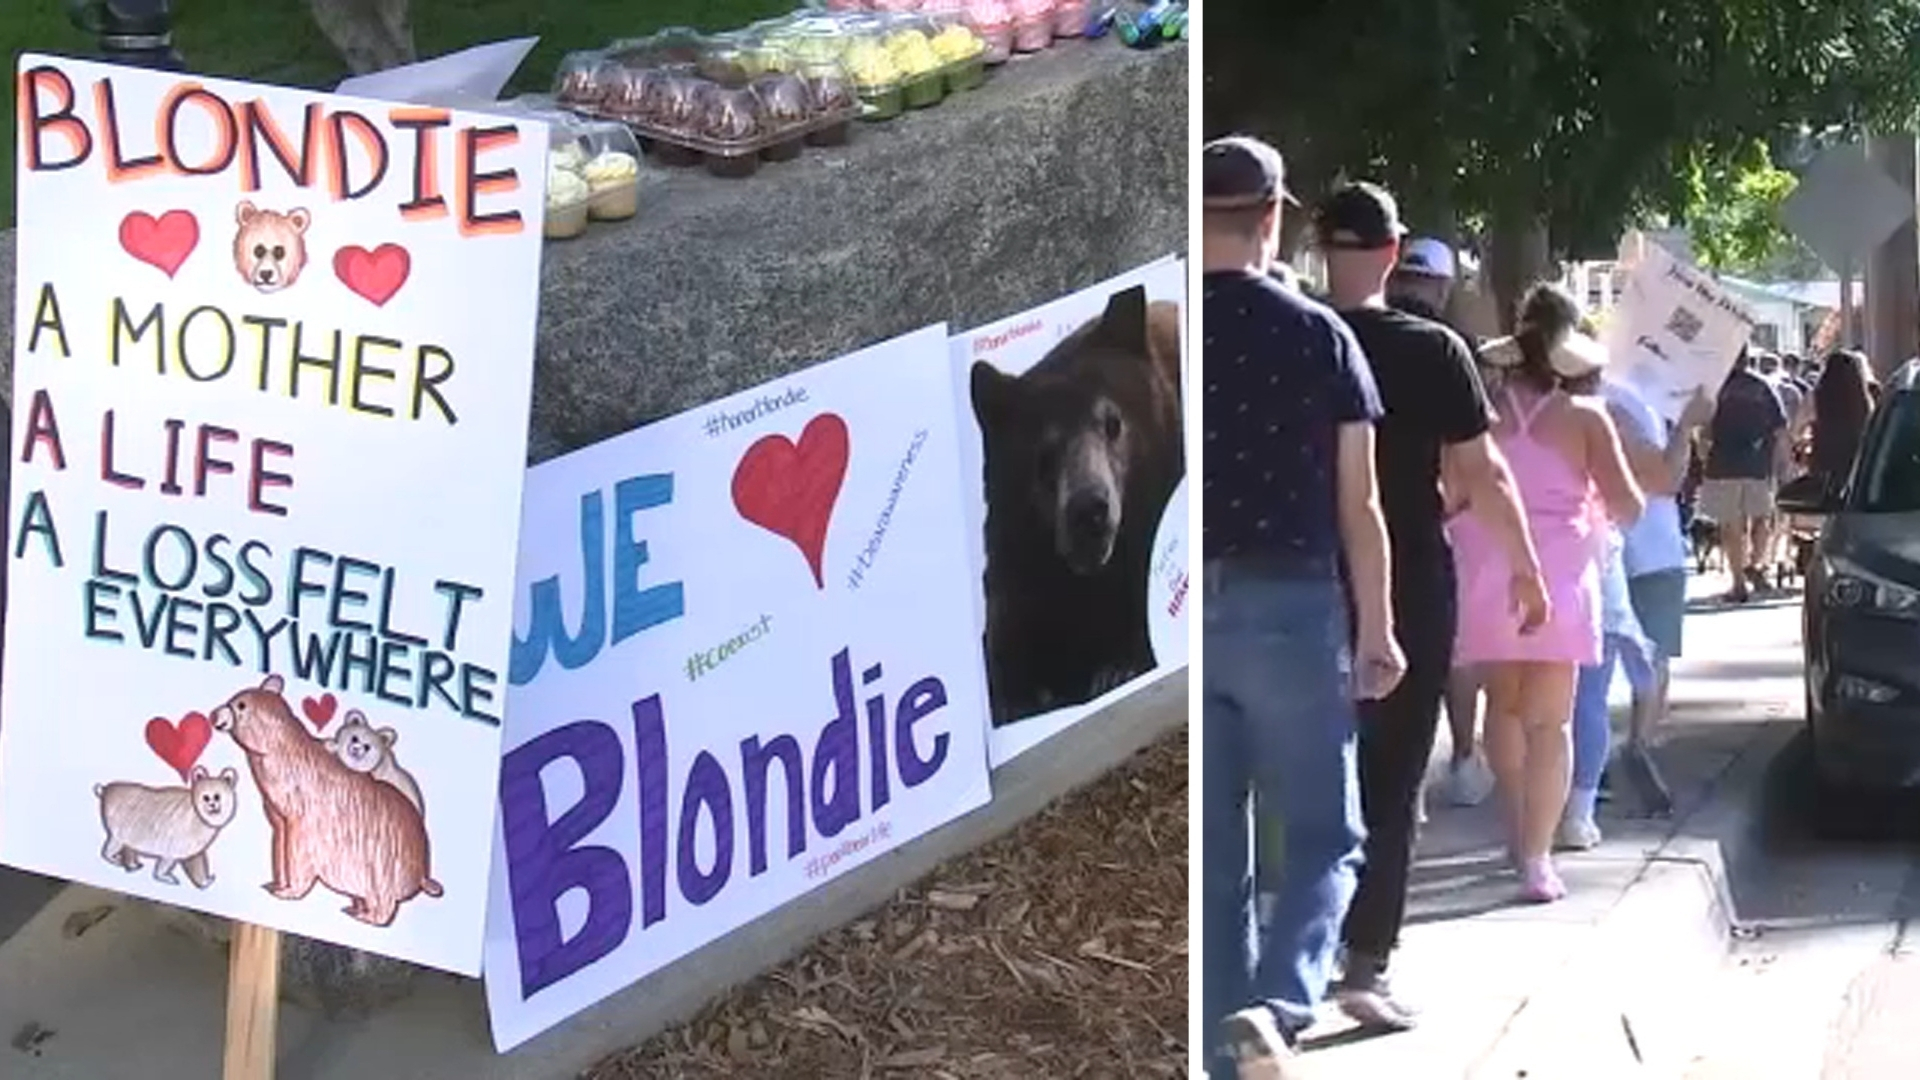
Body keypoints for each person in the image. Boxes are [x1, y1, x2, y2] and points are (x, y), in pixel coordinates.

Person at [1314, 182, 1549, 1031]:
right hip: (1410, 574)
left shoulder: (1294, 336)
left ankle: (1288, 953)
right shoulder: (1433, 351)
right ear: (1393, 250)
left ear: (1318, 247)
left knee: (1302, 768)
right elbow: (1483, 475)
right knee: (1392, 773)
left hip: (1299, 577)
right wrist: (1526, 568)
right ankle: (1365, 961)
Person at [1200, 135, 1406, 1079]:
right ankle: (1281, 1006)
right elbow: (1358, 501)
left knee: (1216, 844)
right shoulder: (1322, 333)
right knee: (1325, 831)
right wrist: (1380, 628)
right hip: (1291, 600)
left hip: (1190, 596)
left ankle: (1219, 1026)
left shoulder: (1162, 326)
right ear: (1274, 217)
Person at [1449, 283, 1644, 902]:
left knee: (1501, 710)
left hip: (1487, 568)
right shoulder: (1587, 418)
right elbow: (1627, 505)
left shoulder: (1480, 410)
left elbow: (1450, 493)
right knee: (1551, 722)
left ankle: (1516, 831)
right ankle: (1538, 857)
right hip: (1561, 576)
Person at [1561, 374, 1711, 847]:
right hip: (1639, 551)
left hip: (1601, 552)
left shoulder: (1567, 404)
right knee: (1641, 662)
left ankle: (1595, 767)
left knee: (1594, 674)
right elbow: (1664, 479)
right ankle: (1622, 756)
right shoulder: (1614, 402)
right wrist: (1686, 428)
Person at [1699, 349, 1790, 602]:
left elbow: (1703, 430)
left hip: (1723, 464)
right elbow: (1781, 429)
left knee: (1731, 525)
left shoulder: (1715, 387)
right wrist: (1784, 464)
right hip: (1757, 463)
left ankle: (1738, 582)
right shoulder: (1763, 387)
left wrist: (1703, 454)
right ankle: (1756, 564)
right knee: (1762, 518)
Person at [1808, 348, 1876, 494]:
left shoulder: (1820, 396)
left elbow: (1803, 422)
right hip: (1858, 467)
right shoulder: (1864, 399)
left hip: (1827, 464)